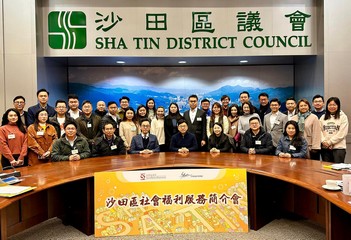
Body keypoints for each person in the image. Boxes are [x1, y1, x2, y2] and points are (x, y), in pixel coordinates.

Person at [320, 97, 349, 163]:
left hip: (338, 148)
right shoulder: (323, 117)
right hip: (325, 148)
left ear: (338, 106)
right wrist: (324, 141)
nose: (332, 107)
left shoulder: (343, 117)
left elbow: (342, 133)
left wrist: (330, 142)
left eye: (334, 105)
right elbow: (319, 131)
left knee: (337, 170)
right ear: (327, 106)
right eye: (330, 105)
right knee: (326, 170)